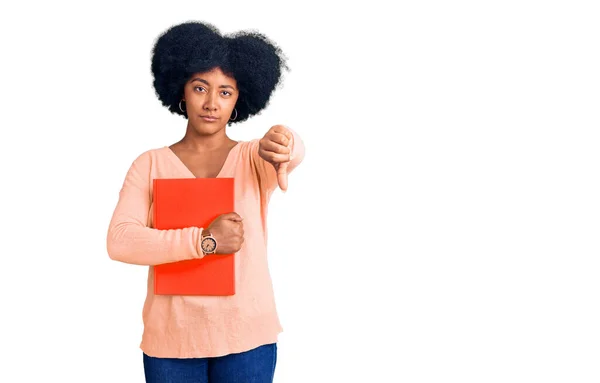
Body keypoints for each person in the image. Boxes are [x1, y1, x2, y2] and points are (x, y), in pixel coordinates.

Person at [106, 21, 305, 383]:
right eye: (201, 88)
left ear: (239, 100)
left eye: (225, 92)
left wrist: (286, 142)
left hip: (247, 338)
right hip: (172, 343)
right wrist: (204, 241)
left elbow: (289, 154)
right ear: (182, 90)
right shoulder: (149, 164)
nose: (212, 103)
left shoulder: (253, 158)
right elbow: (119, 241)